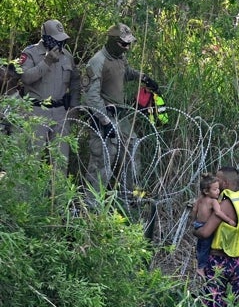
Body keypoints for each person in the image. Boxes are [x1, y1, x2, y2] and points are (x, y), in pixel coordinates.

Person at [81, 23, 156, 193]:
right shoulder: (97, 61)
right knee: (103, 160)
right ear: (113, 41)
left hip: (120, 117)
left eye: (129, 44)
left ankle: (129, 196)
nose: (127, 48)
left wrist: (143, 77)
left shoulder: (119, 57)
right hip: (104, 117)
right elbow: (91, 96)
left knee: (133, 149)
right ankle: (92, 205)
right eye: (123, 44)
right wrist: (105, 120)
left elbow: (125, 72)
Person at [195, 167, 239, 307]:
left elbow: (205, 232)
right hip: (237, 262)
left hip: (218, 262)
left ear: (226, 183)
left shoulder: (225, 205)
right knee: (233, 305)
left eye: (218, 179)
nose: (215, 181)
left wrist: (195, 230)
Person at [15, 19, 78, 163]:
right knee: (31, 159)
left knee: (61, 161)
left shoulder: (67, 56)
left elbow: (75, 81)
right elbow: (25, 77)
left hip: (61, 113)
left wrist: (74, 105)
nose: (60, 44)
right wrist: (47, 62)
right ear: (46, 38)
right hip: (36, 112)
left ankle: (58, 186)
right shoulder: (30, 53)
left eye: (63, 40)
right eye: (56, 40)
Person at [191, 174, 224, 273]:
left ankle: (199, 262)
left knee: (200, 246)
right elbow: (218, 212)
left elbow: (194, 209)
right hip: (205, 226)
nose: (218, 191)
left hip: (198, 224)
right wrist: (229, 220)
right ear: (206, 191)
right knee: (206, 248)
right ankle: (201, 267)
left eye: (218, 189)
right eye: (215, 189)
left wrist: (193, 221)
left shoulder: (200, 198)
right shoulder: (213, 201)